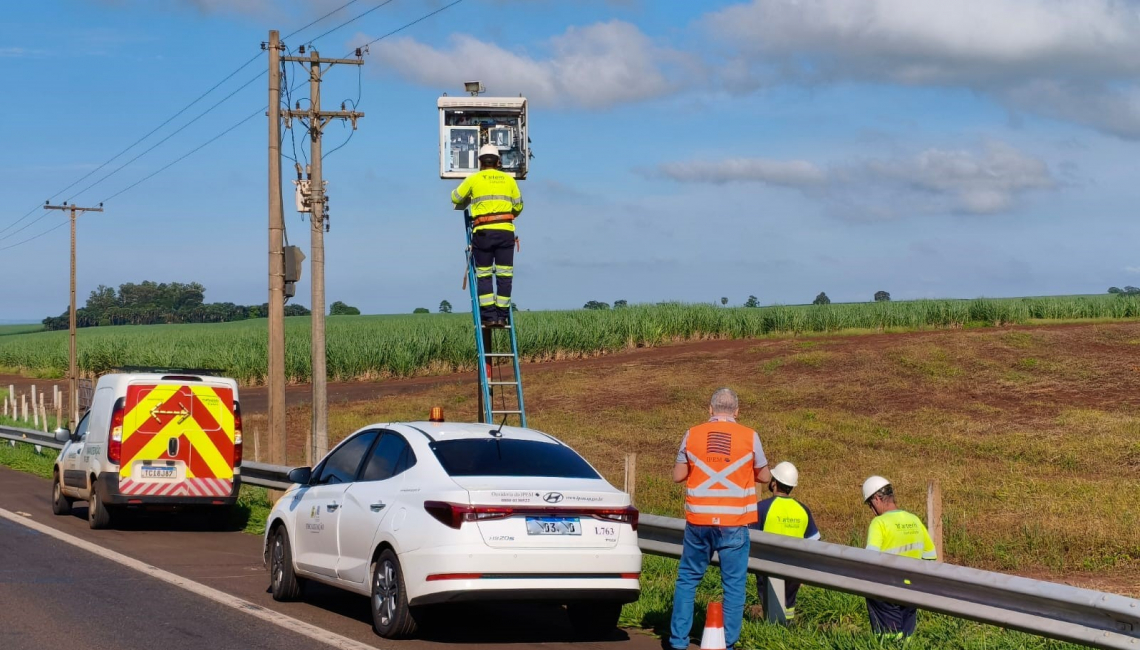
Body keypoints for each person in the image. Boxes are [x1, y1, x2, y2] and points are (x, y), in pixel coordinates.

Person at [669, 388, 771, 650]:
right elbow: (765, 477)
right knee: (734, 587)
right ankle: (727, 644)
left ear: (710, 410)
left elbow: (678, 475)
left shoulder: (692, 434)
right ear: (737, 411)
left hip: (698, 523)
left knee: (688, 580)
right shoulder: (750, 436)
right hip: (734, 525)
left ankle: (678, 641)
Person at [450, 143, 524, 327]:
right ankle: (502, 316)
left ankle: (489, 317)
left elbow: (455, 198)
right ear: (498, 161)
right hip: (505, 232)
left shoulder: (474, 179)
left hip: (482, 233)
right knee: (505, 275)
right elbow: (519, 206)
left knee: (483, 275)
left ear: (480, 162)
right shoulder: (509, 180)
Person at [861, 475, 937, 639]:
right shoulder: (914, 520)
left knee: (889, 636)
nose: (872, 510)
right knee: (907, 636)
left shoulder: (879, 523)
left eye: (870, 504)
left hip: (886, 589)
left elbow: (870, 560)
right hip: (911, 588)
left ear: (876, 499)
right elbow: (930, 557)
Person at [748, 461, 820, 621]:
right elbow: (815, 542)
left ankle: (773, 631)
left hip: (767, 568)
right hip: (795, 569)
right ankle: (786, 630)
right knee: (789, 606)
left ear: (774, 483)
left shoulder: (761, 508)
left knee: (770, 607)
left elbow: (748, 536)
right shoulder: (803, 510)